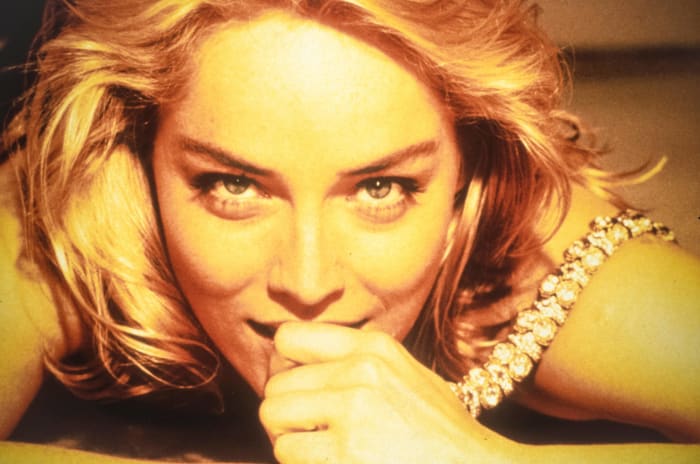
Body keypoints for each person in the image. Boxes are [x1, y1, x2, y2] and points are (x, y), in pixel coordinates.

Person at [1, 0, 698, 462]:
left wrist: (478, 459)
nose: (308, 284)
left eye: (380, 188)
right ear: (139, 151)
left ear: (468, 166)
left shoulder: (538, 259)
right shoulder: (73, 215)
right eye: (234, 185)